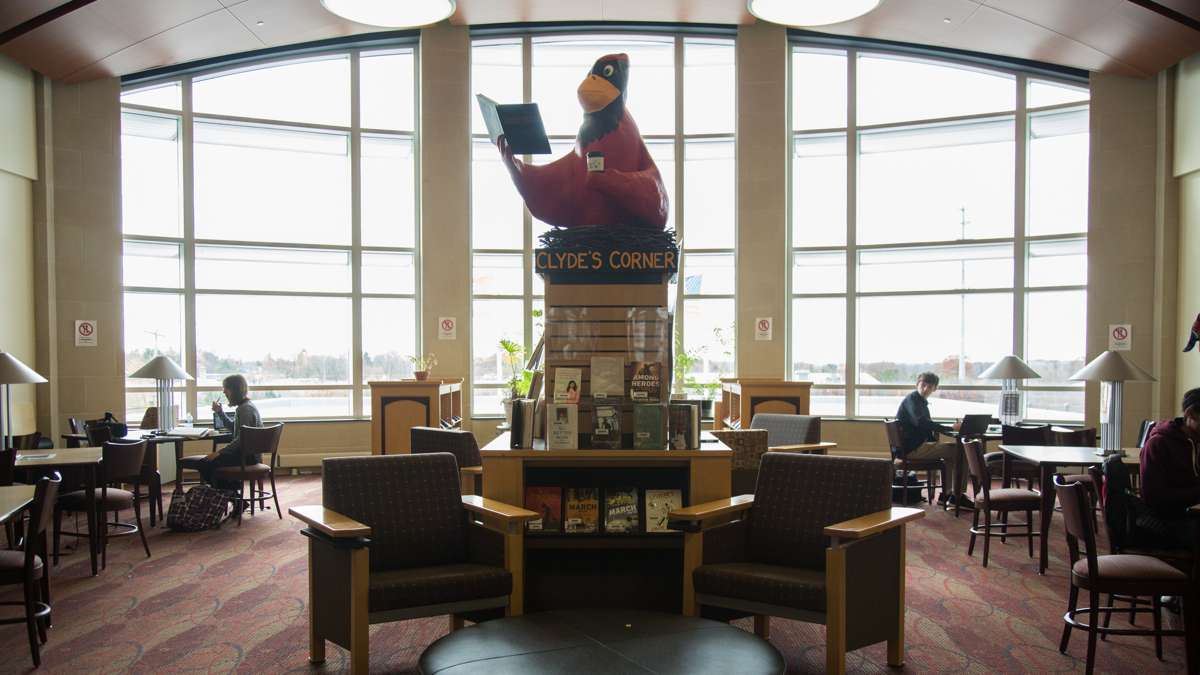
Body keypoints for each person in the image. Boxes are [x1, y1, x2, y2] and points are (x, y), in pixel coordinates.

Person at [895, 372, 970, 507]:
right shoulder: (913, 400)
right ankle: (957, 496)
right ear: (917, 384)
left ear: (934, 389)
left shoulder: (917, 401)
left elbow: (924, 425)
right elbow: (921, 422)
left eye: (929, 387)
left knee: (951, 452)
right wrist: (950, 428)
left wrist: (946, 430)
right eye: (923, 385)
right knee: (961, 450)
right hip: (913, 449)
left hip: (911, 447)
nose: (925, 389)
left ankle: (947, 494)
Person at [1139, 387, 1200, 551]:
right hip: (1167, 522)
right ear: (1191, 414)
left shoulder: (1196, 441)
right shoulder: (1159, 444)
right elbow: (1153, 497)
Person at [197, 374, 262, 493]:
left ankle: (234, 497)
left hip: (247, 457)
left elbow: (241, 438)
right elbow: (236, 429)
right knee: (208, 463)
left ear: (234, 390)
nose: (224, 392)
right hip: (246, 455)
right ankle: (233, 493)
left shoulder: (245, 409)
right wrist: (220, 412)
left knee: (205, 463)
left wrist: (219, 453)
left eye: (225, 388)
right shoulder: (244, 407)